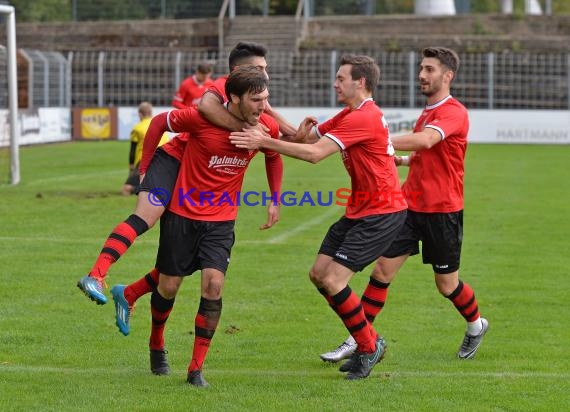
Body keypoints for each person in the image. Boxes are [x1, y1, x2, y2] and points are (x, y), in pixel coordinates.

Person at [229, 54, 408, 380]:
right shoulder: (350, 113)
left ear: (361, 82)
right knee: (319, 274)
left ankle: (369, 346)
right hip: (360, 210)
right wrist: (280, 124)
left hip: (382, 213)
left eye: (341, 78)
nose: (335, 83)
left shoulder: (363, 118)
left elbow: (314, 155)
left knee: (333, 280)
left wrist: (264, 140)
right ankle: (368, 340)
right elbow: (307, 140)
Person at [77, 41, 291, 305]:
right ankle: (96, 274)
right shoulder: (222, 86)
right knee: (146, 216)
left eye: (265, 69)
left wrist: (294, 137)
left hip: (200, 170)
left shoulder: (256, 95)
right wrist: (144, 169)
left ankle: (130, 294)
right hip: (172, 161)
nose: (265, 74)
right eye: (259, 67)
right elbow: (167, 119)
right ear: (237, 71)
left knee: (183, 263)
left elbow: (274, 134)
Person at [112, 66, 282, 387]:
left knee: (213, 286)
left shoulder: (264, 127)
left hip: (221, 220)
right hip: (182, 214)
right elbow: (161, 122)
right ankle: (156, 344)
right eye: (257, 99)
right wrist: (145, 169)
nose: (264, 106)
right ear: (234, 98)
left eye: (266, 99)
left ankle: (195, 369)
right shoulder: (201, 119)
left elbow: (274, 154)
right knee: (169, 286)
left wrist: (275, 197)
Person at [320, 47, 489, 370]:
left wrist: (375, 137)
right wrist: (402, 160)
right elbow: (429, 153)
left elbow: (426, 141)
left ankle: (476, 324)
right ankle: (361, 339)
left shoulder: (453, 111)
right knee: (382, 271)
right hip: (409, 207)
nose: (422, 75)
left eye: (429, 69)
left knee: (447, 285)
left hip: (443, 211)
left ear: (447, 75)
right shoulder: (427, 111)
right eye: (422, 69)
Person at [122, 102, 169, 196]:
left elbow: (133, 149)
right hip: (163, 161)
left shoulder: (137, 128)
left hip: (144, 160)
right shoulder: (160, 124)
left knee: (126, 189)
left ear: (140, 114)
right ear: (151, 112)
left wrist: (131, 166)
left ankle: (142, 191)